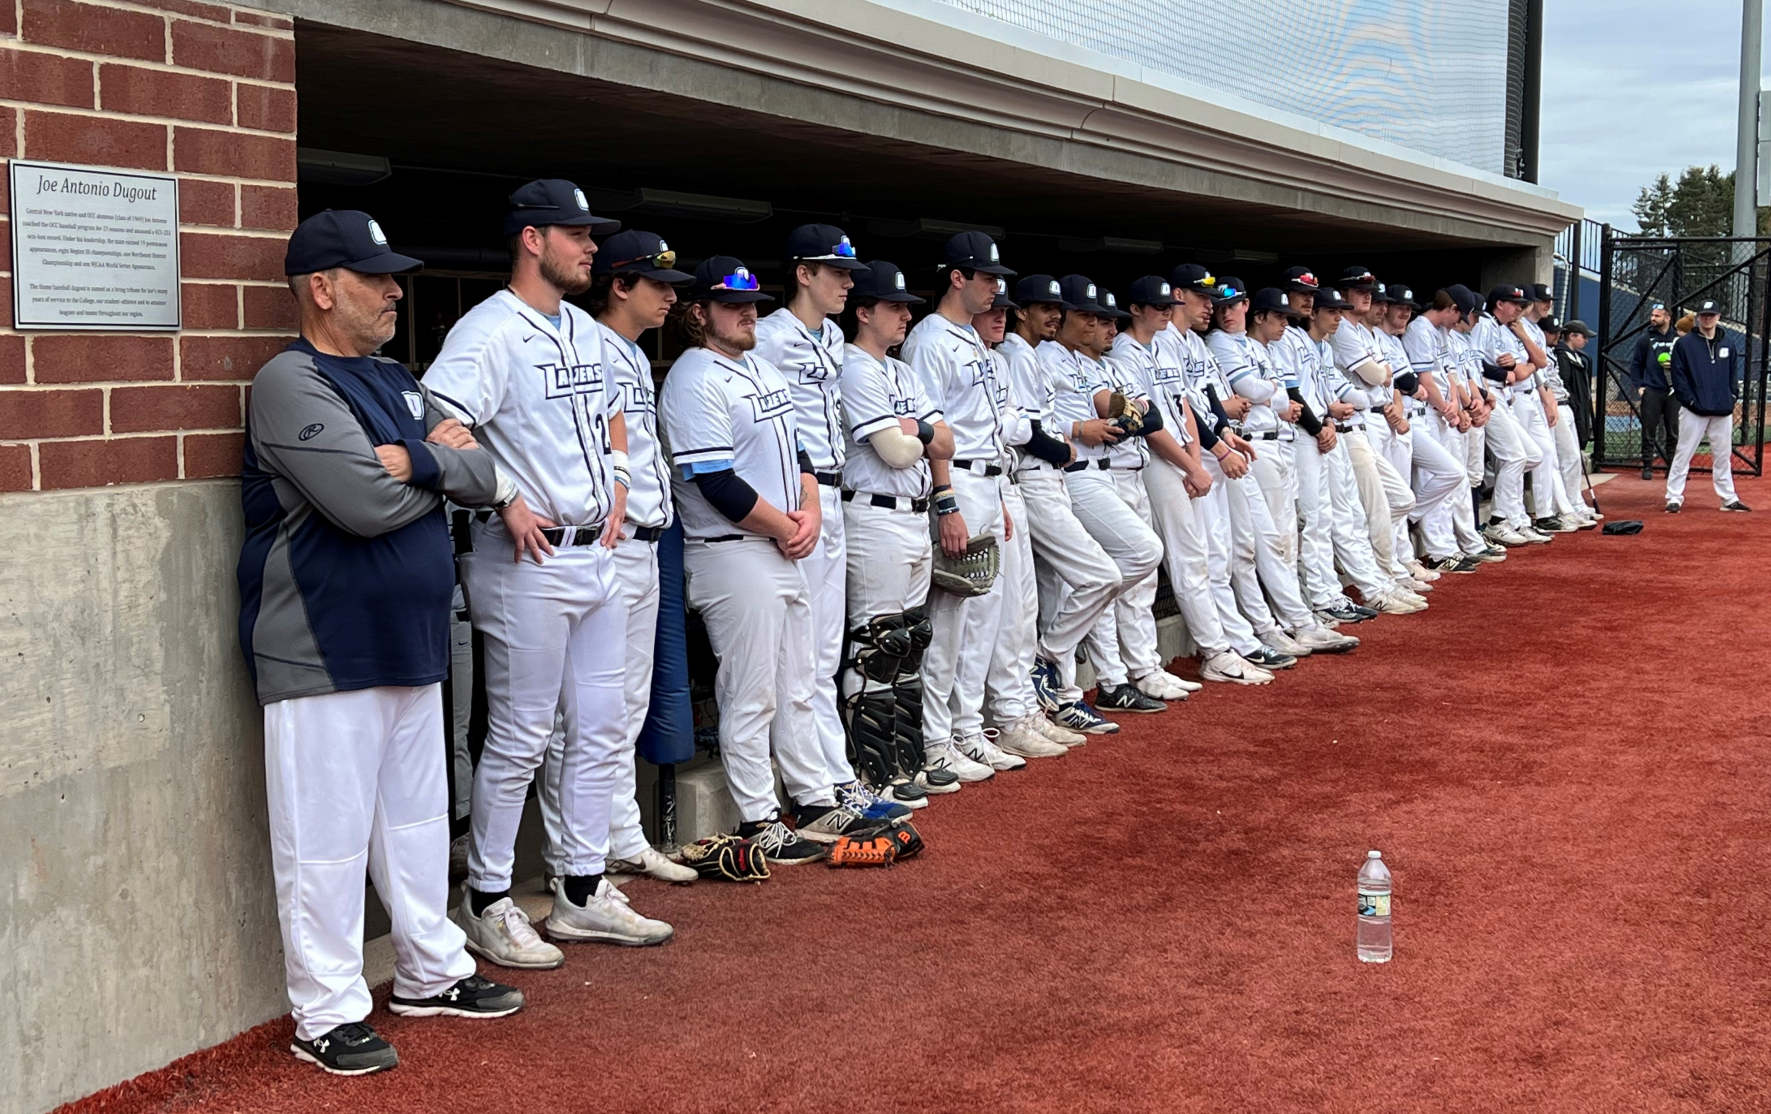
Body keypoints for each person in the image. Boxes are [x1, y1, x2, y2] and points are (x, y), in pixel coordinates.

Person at [240, 209, 522, 1075]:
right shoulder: (289, 380)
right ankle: (323, 1013)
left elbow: (490, 469)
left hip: (409, 636)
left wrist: (414, 461)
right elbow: (360, 505)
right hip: (323, 641)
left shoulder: (396, 376)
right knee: (321, 840)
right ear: (322, 289)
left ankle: (430, 970)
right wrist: (430, 463)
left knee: (414, 824)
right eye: (375, 277)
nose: (395, 289)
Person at [425, 180, 673, 966]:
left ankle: (579, 889)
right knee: (522, 737)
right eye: (576, 234)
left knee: (600, 730)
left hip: (593, 551)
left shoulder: (582, 331)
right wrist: (502, 494)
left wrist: (620, 483)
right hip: (525, 561)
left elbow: (613, 418)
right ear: (532, 239)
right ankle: (489, 898)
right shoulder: (489, 329)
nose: (591, 246)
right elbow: (437, 419)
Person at [659, 255, 876, 866]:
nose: (747, 311)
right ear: (699, 313)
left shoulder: (759, 365)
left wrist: (806, 510)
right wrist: (788, 526)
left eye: (752, 301)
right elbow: (713, 481)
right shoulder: (693, 377)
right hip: (731, 553)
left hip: (781, 542)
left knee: (799, 682)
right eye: (732, 304)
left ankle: (810, 798)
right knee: (750, 693)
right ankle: (758, 817)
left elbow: (802, 452)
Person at [536, 229, 700, 888]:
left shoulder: (629, 352)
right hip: (603, 548)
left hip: (643, 546)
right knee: (571, 717)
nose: (668, 296)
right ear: (620, 285)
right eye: (655, 284)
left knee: (622, 709)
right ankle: (570, 857)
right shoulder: (587, 346)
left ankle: (618, 837)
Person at [753, 225, 883, 813]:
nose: (848, 282)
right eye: (837, 272)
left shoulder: (832, 335)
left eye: (850, 272)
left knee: (826, 651)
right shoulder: (771, 336)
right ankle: (812, 784)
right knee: (798, 654)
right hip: (793, 501)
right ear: (803, 273)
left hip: (835, 493)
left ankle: (832, 770)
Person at [836, 260, 973, 805]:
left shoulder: (901, 369)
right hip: (870, 513)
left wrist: (913, 432)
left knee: (911, 640)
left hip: (913, 512)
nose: (904, 316)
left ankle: (904, 760)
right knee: (878, 643)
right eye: (894, 308)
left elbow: (947, 443)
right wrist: (919, 432)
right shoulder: (854, 367)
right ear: (863, 311)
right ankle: (875, 772)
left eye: (907, 308)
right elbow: (894, 452)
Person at [901, 232, 1029, 774]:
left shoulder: (972, 339)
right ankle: (935, 741)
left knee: (981, 619)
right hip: (956, 485)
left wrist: (996, 493)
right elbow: (930, 432)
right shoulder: (930, 340)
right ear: (957, 277)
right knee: (949, 617)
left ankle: (967, 728)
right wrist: (946, 502)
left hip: (987, 481)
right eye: (987, 278)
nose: (996, 288)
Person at [1116, 274, 1273, 684]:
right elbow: (1149, 423)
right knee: (1184, 560)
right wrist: (1193, 464)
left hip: (1183, 457)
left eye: (1170, 306)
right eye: (1159, 306)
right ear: (1136, 309)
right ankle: (1212, 652)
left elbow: (1183, 403)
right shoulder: (1125, 351)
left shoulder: (1163, 346)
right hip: (1153, 459)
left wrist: (1194, 458)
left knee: (1200, 557)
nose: (1167, 312)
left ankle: (1211, 649)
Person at [1001, 275, 1135, 726]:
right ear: (1021, 311)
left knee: (1058, 593)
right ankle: (1048, 659)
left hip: (1053, 479)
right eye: (1044, 307)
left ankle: (1062, 693)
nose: (1054, 315)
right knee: (1100, 575)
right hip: (1034, 478)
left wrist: (1064, 439)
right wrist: (1067, 443)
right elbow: (1027, 433)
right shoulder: (1016, 355)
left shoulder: (1032, 355)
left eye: (1058, 308)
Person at [1211, 286, 1358, 654]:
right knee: (1261, 541)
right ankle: (1286, 621)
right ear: (1258, 314)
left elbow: (1276, 395)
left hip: (1279, 440)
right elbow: (1253, 388)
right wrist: (1272, 395)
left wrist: (1270, 394)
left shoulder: (1259, 346)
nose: (1226, 313)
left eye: (1233, 305)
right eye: (1277, 316)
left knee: (1286, 536)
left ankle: (1296, 618)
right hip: (1250, 444)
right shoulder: (1220, 342)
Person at [975, 278, 1078, 756]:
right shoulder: (941, 343)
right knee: (980, 619)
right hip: (975, 482)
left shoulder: (997, 359)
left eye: (1004, 308)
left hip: (1005, 480)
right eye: (992, 308)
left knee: (1019, 611)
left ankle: (1018, 711)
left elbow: (1018, 425)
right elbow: (1016, 428)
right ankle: (971, 727)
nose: (999, 315)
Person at [1469, 285, 1551, 546]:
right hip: (1489, 395)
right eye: (1513, 303)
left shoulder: (1505, 329)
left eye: (1520, 304)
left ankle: (1513, 517)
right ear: (1498, 304)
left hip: (1505, 396)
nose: (1518, 308)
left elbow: (1531, 366)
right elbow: (1475, 362)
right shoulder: (1484, 324)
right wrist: (1505, 374)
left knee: (1532, 455)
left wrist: (1514, 369)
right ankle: (1498, 520)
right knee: (1515, 456)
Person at [1665, 298, 1750, 513]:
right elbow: (1678, 375)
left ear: (1718, 317)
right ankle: (1673, 497)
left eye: (1711, 315)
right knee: (1683, 453)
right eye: (1704, 315)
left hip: (1722, 410)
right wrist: (1690, 401)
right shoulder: (1685, 344)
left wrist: (1732, 396)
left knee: (1722, 455)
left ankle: (1728, 498)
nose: (1707, 319)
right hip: (1694, 410)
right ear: (1698, 318)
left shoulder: (1728, 344)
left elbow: (1733, 374)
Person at [1536, 316, 1597, 528]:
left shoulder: (1553, 352)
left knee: (1572, 458)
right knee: (1554, 459)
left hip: (1564, 404)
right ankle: (1564, 508)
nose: (1557, 336)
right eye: (1553, 333)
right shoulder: (1554, 353)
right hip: (1553, 406)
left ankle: (1574, 502)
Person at [1631, 302, 1679, 479]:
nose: (1653, 318)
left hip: (1674, 392)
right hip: (1652, 391)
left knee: (1673, 430)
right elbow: (1636, 364)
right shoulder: (1645, 340)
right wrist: (1640, 386)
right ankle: (1647, 466)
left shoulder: (1678, 339)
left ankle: (1672, 467)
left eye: (1657, 315)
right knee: (1648, 430)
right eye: (1652, 315)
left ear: (1668, 317)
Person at [1558, 318, 1597, 451]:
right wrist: (1574, 404)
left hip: (1578, 407)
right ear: (1572, 336)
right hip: (1571, 407)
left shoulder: (1575, 356)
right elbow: (1564, 382)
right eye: (1583, 337)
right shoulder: (1562, 356)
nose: (1586, 341)